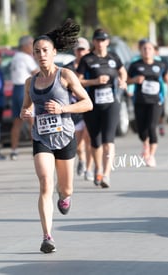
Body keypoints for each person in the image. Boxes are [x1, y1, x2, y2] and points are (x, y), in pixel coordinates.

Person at [19, 19, 93, 253]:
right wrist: (26, 112)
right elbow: (26, 108)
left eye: (45, 51)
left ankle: (65, 197)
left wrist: (62, 109)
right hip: (42, 138)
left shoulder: (65, 76)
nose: (41, 55)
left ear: (54, 53)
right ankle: (47, 236)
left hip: (65, 137)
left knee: (66, 188)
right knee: (45, 183)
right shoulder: (30, 82)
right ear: (33, 55)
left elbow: (87, 103)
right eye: (37, 51)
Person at [76, 28, 128, 188]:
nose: (100, 43)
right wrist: (95, 81)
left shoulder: (114, 57)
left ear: (107, 42)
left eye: (103, 40)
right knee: (95, 141)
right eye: (97, 40)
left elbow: (123, 72)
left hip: (111, 103)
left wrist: (122, 81)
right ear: (94, 42)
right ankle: (98, 168)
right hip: (92, 105)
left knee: (109, 140)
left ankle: (106, 174)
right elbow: (78, 81)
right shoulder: (87, 60)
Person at [127, 39, 168, 167]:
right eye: (144, 49)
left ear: (154, 51)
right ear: (141, 51)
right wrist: (135, 79)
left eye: (149, 49)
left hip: (156, 101)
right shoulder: (135, 65)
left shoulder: (161, 64)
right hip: (140, 100)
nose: (147, 51)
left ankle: (151, 155)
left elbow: (167, 77)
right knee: (141, 130)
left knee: (152, 127)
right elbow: (127, 80)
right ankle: (145, 144)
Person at [64, 37, 94, 181]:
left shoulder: (93, 66)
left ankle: (89, 169)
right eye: (78, 50)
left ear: (88, 51)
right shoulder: (68, 68)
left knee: (89, 139)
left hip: (90, 107)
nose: (81, 52)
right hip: (74, 108)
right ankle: (81, 159)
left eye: (83, 50)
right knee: (77, 143)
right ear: (75, 51)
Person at [9, 35, 39, 160]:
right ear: (24, 45)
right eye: (31, 44)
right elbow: (36, 72)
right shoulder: (26, 57)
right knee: (32, 120)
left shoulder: (15, 57)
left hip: (16, 89)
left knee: (17, 122)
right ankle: (37, 149)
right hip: (24, 88)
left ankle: (14, 150)